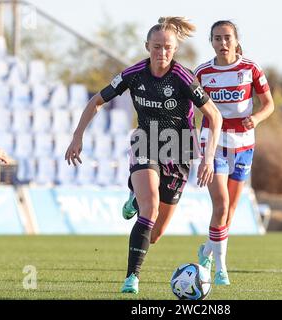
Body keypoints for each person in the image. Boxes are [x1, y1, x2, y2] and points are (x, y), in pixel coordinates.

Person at [65, 16, 222, 294]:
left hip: (179, 148)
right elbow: (96, 101)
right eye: (157, 47)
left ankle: (134, 197)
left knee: (156, 232)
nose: (163, 53)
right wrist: (78, 136)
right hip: (146, 142)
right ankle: (131, 278)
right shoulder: (134, 74)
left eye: (168, 48)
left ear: (175, 49)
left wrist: (208, 157)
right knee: (149, 208)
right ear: (147, 46)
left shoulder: (184, 77)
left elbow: (214, 115)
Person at [193, 20, 274, 285]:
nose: (223, 43)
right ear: (212, 41)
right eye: (217, 38)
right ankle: (220, 270)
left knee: (230, 212)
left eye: (227, 37)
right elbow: (190, 109)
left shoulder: (250, 68)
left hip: (244, 145)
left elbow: (268, 104)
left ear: (236, 40)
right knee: (222, 205)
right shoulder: (203, 72)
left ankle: (206, 249)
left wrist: (258, 118)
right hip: (214, 144)